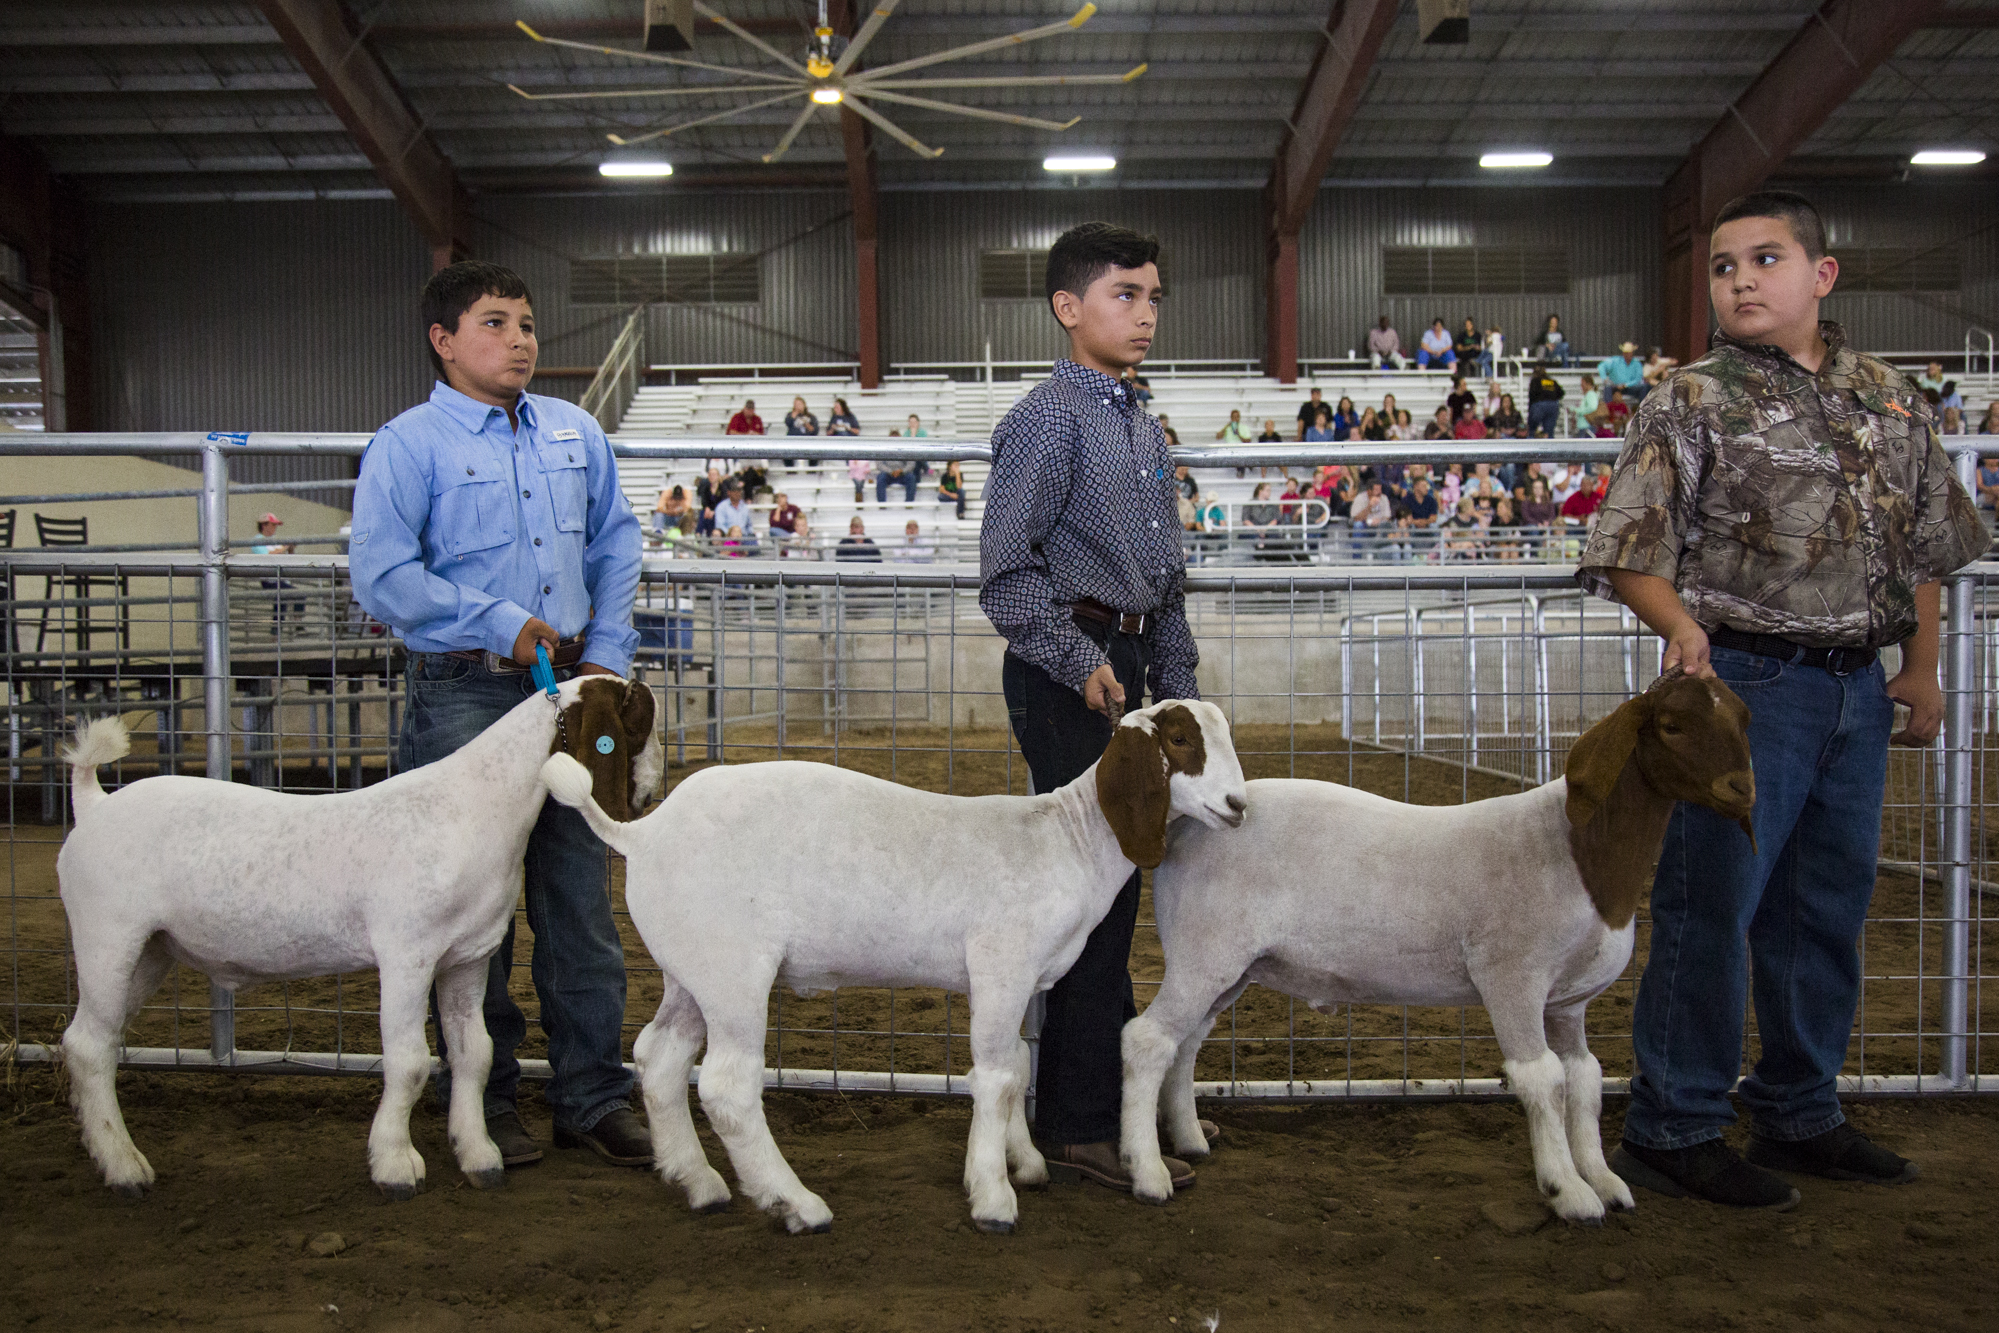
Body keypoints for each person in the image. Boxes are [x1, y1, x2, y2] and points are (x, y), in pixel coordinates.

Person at [1581, 190, 1988, 1209]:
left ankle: (1800, 1109)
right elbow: (1629, 548)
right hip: (1743, 685)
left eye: (1764, 259)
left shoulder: (1893, 401)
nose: (1740, 281)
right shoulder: (1688, 400)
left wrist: (1922, 667)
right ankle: (1673, 1124)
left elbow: (1927, 549)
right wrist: (1680, 630)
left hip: (1857, 685)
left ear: (1822, 273)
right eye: (1723, 267)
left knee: (1827, 907)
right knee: (1710, 905)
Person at [348, 259, 648, 1171]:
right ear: (443, 340)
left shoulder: (574, 430)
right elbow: (385, 576)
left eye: (524, 322)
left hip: (569, 690)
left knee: (577, 895)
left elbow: (617, 540)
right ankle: (487, 1096)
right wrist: (501, 623)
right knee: (461, 907)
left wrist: (608, 652)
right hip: (464, 694)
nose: (520, 338)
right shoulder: (407, 445)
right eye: (494, 323)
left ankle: (592, 1095)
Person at [979, 221, 1204, 1194]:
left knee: (1113, 897)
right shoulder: (1047, 419)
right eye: (1125, 295)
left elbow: (1168, 579)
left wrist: (1183, 692)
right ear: (1069, 308)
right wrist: (1078, 661)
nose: (1145, 313)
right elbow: (1005, 574)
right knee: (1093, 904)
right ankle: (1076, 1120)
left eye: (1153, 296)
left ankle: (1097, 1105)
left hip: (1127, 658)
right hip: (1071, 669)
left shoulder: (1136, 419)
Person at [1526, 363, 1564, 438]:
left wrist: (1530, 412)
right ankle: (1550, 447)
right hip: (1553, 406)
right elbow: (1561, 392)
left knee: (1532, 429)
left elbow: (1532, 396)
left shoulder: (1535, 381)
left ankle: (1530, 442)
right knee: (1549, 432)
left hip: (1539, 405)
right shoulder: (1551, 381)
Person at [712, 477, 755, 543]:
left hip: (743, 537)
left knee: (754, 545)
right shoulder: (722, 507)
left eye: (739, 491)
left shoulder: (744, 507)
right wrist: (732, 534)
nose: (737, 493)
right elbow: (719, 525)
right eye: (734, 491)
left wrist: (750, 533)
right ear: (729, 492)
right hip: (727, 537)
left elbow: (749, 525)